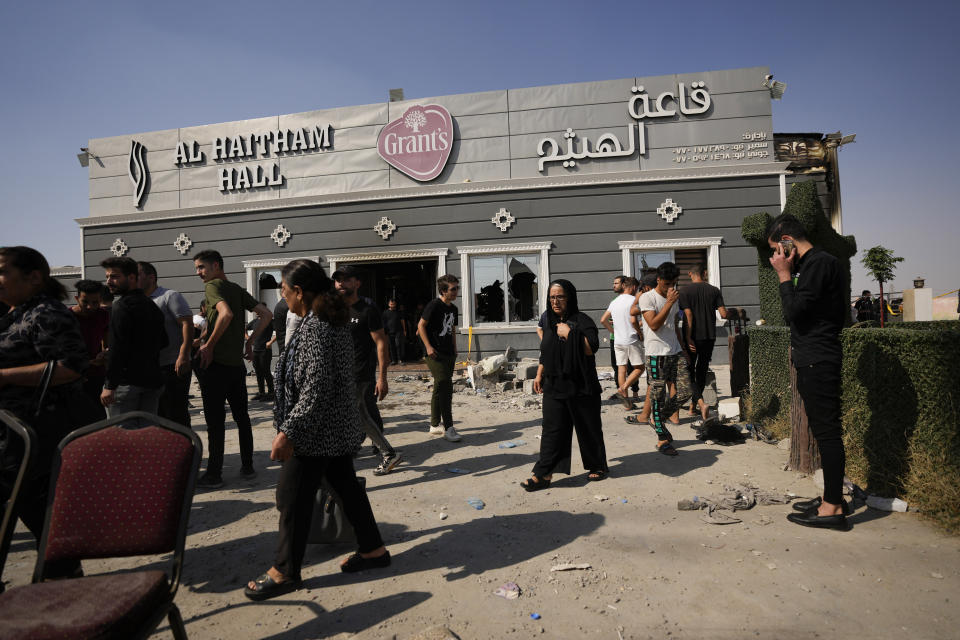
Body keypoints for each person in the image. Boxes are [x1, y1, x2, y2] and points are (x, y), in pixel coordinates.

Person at [244, 259, 389, 601]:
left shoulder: (320, 325)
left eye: (283, 289)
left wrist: (288, 431)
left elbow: (317, 387)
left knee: (291, 498)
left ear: (298, 292)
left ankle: (285, 571)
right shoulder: (318, 319)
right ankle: (373, 551)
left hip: (316, 431)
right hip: (331, 427)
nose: (281, 296)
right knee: (346, 488)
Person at [0, 246, 102, 577]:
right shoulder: (13, 313)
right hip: (11, 441)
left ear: (33, 277)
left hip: (34, 442)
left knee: (50, 531)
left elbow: (72, 366)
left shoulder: (45, 313)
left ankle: (65, 600)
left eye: (3, 271)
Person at [768, 214, 851, 531]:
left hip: (818, 358)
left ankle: (832, 509)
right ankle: (833, 498)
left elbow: (793, 313)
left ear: (786, 239)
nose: (775, 256)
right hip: (814, 356)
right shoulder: (815, 265)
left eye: (776, 247)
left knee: (828, 433)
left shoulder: (817, 264)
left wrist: (784, 275)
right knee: (823, 430)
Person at [193, 249, 273, 488]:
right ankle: (247, 466)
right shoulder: (237, 289)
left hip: (215, 367)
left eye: (201, 267)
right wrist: (248, 341)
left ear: (216, 265)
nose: (198, 273)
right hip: (236, 368)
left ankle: (214, 474)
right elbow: (266, 315)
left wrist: (208, 345)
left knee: (215, 423)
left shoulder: (213, 287)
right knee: (242, 419)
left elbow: (225, 315)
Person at [522, 279, 608, 491]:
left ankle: (597, 465)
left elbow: (591, 348)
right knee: (553, 430)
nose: (555, 301)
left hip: (581, 385)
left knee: (588, 428)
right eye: (552, 297)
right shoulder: (549, 323)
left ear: (569, 297)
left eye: (560, 296)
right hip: (554, 384)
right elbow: (547, 351)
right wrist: (540, 374)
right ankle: (544, 474)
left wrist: (570, 333)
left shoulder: (582, 320)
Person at [333, 266, 402, 475]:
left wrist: (382, 378)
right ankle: (372, 450)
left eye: (346, 280)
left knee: (355, 414)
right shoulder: (334, 308)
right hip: (339, 373)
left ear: (357, 283)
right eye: (337, 280)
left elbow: (381, 343)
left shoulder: (367, 309)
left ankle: (386, 453)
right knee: (358, 415)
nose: (341, 284)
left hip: (360, 372)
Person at [100, 257, 167, 421]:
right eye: (107, 276)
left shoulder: (121, 306)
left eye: (114, 276)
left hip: (126, 385)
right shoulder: (150, 305)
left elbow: (117, 349)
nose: (109, 281)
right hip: (151, 381)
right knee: (145, 438)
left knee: (123, 439)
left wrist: (110, 386)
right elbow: (164, 341)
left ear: (131, 277)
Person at [638, 262, 693, 456]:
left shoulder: (673, 297)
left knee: (686, 391)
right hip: (656, 353)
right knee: (657, 395)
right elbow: (653, 324)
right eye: (668, 283)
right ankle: (662, 438)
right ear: (659, 280)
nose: (671, 287)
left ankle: (658, 419)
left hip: (674, 350)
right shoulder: (647, 297)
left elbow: (674, 325)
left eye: (675, 283)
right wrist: (669, 302)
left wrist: (683, 347)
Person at [138, 261, 194, 427]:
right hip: (150, 368)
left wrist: (184, 355)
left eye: (137, 275)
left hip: (173, 366)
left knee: (175, 413)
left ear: (151, 277)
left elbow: (187, 324)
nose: (132, 278)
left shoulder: (169, 296)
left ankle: (186, 450)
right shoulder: (137, 300)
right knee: (157, 415)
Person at [679, 263, 729, 422]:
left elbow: (688, 315)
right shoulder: (714, 290)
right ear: (705, 273)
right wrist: (736, 312)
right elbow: (723, 313)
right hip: (709, 336)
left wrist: (688, 337)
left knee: (688, 372)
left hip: (692, 337)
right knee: (701, 370)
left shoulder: (685, 291)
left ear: (689, 274)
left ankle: (698, 404)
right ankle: (694, 406)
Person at [417, 275, 462, 442]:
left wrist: (455, 348)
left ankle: (435, 424)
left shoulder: (454, 309)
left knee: (440, 385)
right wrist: (428, 347)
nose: (456, 291)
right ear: (443, 291)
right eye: (453, 289)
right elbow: (420, 326)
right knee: (445, 386)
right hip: (434, 353)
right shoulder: (434, 305)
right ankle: (449, 427)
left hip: (448, 352)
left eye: (457, 287)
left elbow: (451, 330)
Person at [600, 276, 644, 408]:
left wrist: (613, 331)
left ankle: (627, 404)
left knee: (621, 369)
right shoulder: (634, 300)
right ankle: (623, 388)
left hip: (618, 340)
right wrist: (640, 331)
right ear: (634, 287)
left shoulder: (615, 301)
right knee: (640, 368)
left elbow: (603, 320)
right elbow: (635, 321)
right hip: (631, 339)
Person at [70, 279, 110, 418]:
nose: (90, 307)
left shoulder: (103, 315)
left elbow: (107, 343)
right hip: (72, 376)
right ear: (76, 298)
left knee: (97, 416)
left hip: (96, 374)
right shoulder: (67, 317)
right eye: (85, 302)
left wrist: (104, 354)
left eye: (95, 302)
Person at [246, 307, 275, 401]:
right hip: (256, 351)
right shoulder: (254, 322)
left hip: (265, 351)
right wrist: (248, 339)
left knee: (266, 371)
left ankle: (271, 393)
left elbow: (279, 331)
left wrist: (270, 342)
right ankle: (261, 392)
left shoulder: (270, 321)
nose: (258, 312)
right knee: (258, 372)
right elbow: (244, 329)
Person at [382, 298, 406, 365]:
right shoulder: (385, 313)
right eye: (391, 304)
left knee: (398, 345)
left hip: (398, 330)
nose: (392, 305)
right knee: (391, 346)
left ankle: (400, 360)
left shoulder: (398, 312)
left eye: (393, 304)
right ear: (388, 304)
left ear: (395, 304)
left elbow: (402, 321)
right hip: (389, 331)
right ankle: (393, 360)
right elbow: (383, 322)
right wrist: (384, 331)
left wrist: (404, 330)